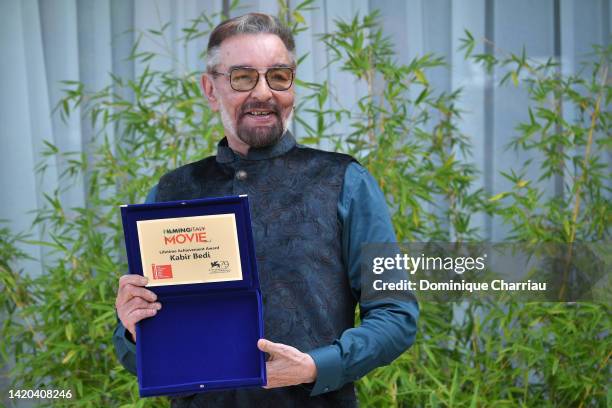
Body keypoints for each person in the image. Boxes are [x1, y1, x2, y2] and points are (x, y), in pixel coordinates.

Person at [113, 12, 419, 408]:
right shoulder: (170, 192)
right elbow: (134, 350)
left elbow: (396, 315)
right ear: (210, 88)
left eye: (278, 76)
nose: (263, 92)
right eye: (242, 77)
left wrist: (316, 366)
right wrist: (132, 327)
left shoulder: (346, 181)